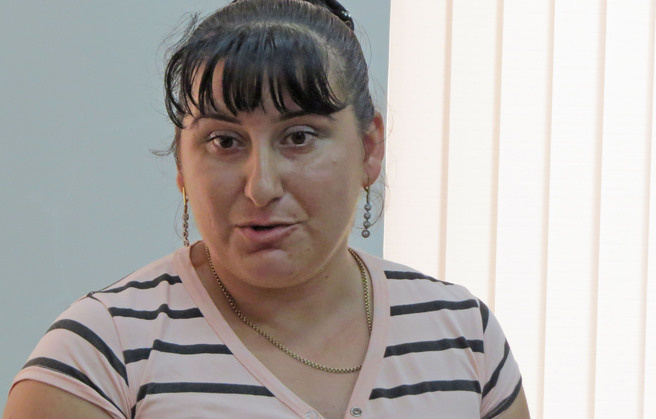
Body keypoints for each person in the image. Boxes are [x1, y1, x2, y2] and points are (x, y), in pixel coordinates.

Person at [3, 0, 530, 418]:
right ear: (182, 165)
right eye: (224, 142)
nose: (261, 186)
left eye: (299, 137)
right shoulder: (100, 356)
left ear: (370, 148)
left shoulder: (464, 336)